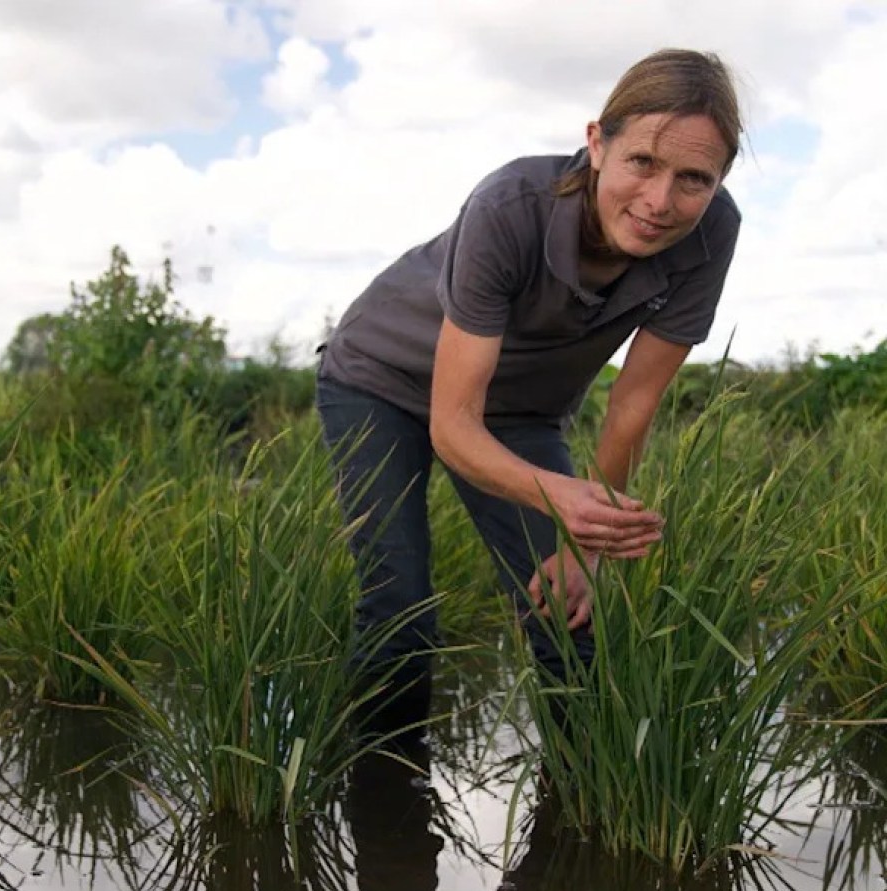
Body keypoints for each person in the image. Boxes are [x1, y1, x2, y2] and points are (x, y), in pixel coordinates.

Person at [316, 48, 743, 739]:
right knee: (400, 610)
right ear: (597, 144)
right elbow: (453, 425)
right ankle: (381, 790)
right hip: (380, 380)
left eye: (694, 179)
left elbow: (633, 402)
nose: (660, 202)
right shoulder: (510, 205)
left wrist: (587, 545)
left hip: (521, 411)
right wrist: (564, 499)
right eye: (642, 162)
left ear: (719, 179)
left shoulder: (712, 232)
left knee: (571, 611)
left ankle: (581, 790)